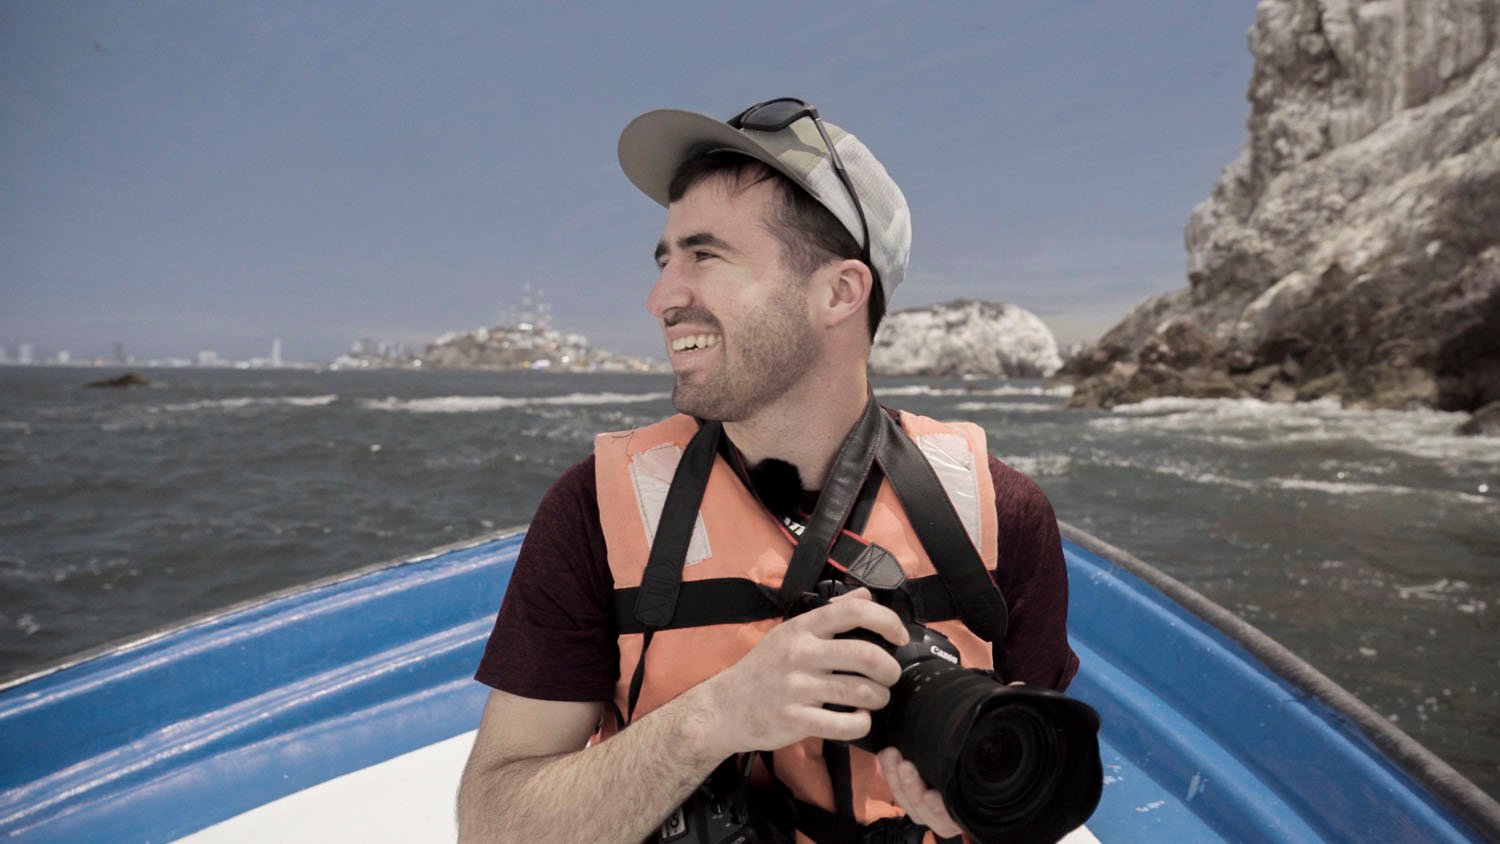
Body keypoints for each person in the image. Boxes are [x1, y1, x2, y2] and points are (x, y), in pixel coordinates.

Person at [457, 98, 1078, 844]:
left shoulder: (1003, 514)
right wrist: (713, 718)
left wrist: (979, 821)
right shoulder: (595, 509)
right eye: (665, 261)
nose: (661, 298)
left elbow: (1037, 801)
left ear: (839, 293)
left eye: (705, 256)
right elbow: (493, 830)